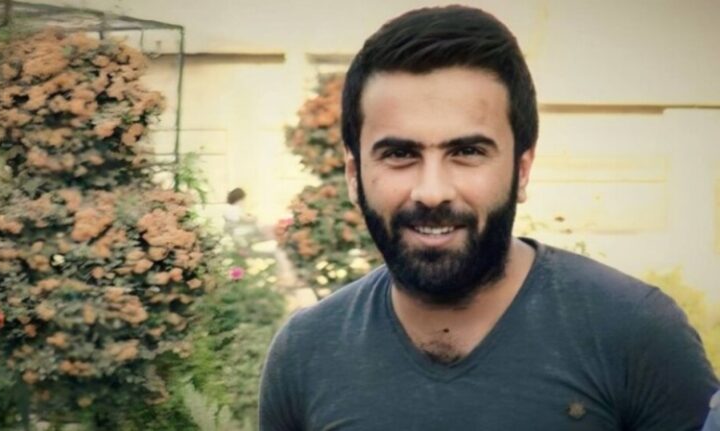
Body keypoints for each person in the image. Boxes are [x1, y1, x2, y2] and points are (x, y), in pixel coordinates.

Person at [260, 6, 719, 430]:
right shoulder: (304, 353)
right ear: (353, 174)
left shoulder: (635, 334)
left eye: (467, 151)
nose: (432, 191)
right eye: (399, 154)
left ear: (522, 169)